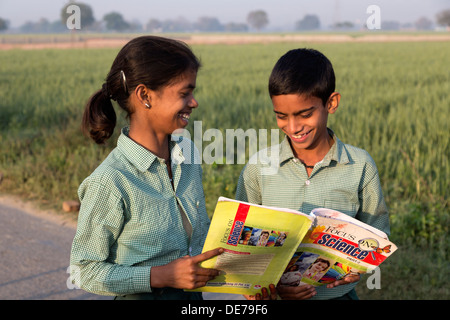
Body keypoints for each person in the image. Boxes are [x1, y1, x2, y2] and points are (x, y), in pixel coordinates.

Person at [69, 36, 223, 300]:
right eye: (185, 93)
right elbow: (83, 271)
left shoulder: (188, 156)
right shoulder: (111, 181)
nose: (194, 102)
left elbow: (199, 233)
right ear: (145, 96)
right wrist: (159, 276)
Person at [235, 48, 390, 300]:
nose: (293, 127)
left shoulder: (360, 165)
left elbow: (377, 232)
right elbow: (241, 240)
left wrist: (358, 268)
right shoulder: (258, 167)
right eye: (281, 116)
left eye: (305, 114)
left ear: (331, 103)